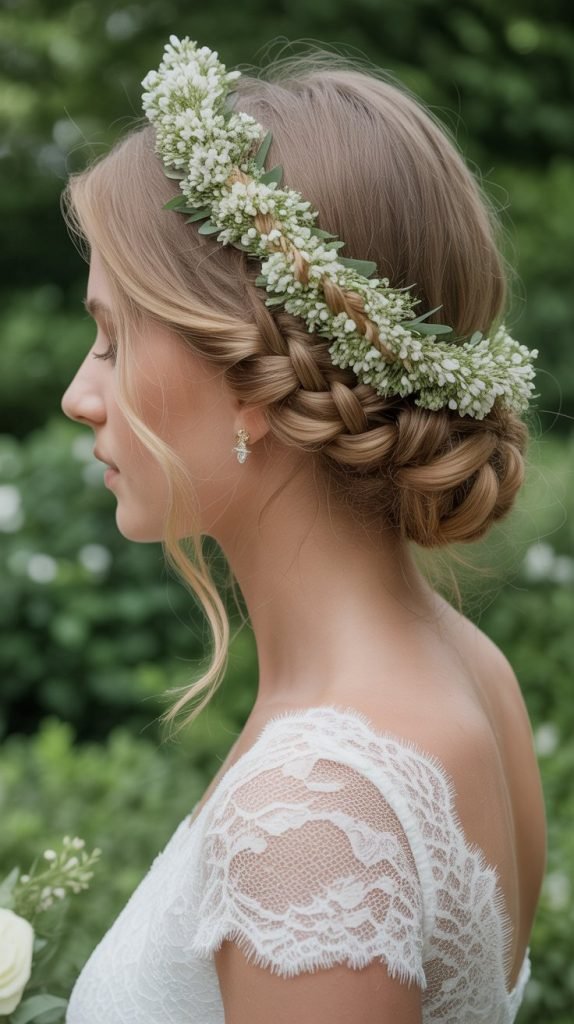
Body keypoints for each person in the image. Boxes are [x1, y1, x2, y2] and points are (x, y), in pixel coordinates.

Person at [59, 35, 546, 1024]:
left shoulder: (314, 814)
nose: (79, 394)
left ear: (255, 372)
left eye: (113, 339)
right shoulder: (471, 671)